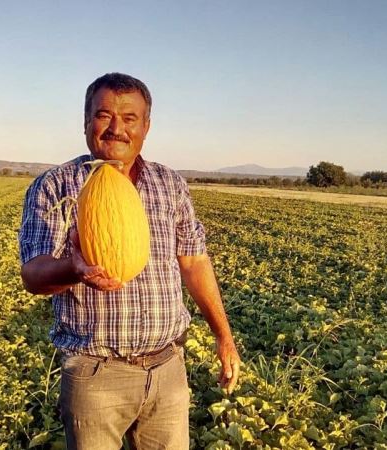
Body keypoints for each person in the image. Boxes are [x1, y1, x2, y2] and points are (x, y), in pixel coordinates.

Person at [18, 72, 240, 450]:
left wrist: (224, 335)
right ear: (86, 122)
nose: (116, 128)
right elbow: (33, 274)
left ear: (146, 126)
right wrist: (73, 269)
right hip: (96, 374)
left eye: (129, 118)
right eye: (104, 115)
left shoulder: (170, 184)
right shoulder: (55, 185)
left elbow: (194, 262)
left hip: (167, 368)